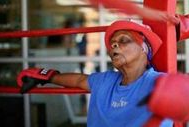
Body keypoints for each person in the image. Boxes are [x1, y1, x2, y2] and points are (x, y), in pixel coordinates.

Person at [17, 20, 175, 127]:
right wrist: (45, 75)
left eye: (124, 40)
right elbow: (79, 80)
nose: (114, 45)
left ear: (144, 48)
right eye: (113, 43)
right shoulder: (106, 80)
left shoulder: (160, 83)